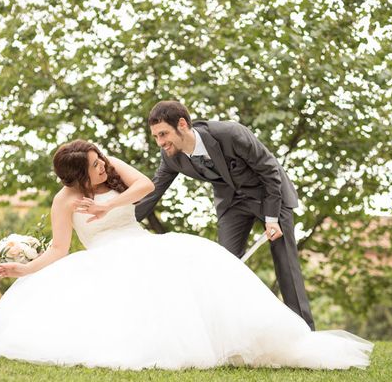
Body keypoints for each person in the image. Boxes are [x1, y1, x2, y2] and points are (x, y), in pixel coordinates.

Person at [0, 140, 372, 370]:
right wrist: (23, 268)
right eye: (94, 166)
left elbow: (146, 185)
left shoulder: (111, 167)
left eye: (100, 160)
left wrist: (106, 205)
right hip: (104, 256)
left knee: (201, 262)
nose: (102, 165)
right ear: (74, 175)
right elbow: (58, 248)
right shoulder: (64, 200)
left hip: (139, 242)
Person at [135, 101, 315, 330]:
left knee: (285, 262)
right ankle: (237, 332)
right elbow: (153, 192)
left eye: (163, 134)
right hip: (232, 204)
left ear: (182, 124)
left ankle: (305, 332)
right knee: (226, 265)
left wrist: (271, 218)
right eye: (156, 137)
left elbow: (269, 170)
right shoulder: (171, 156)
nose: (160, 142)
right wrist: (123, 222)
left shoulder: (229, 133)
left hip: (269, 195)